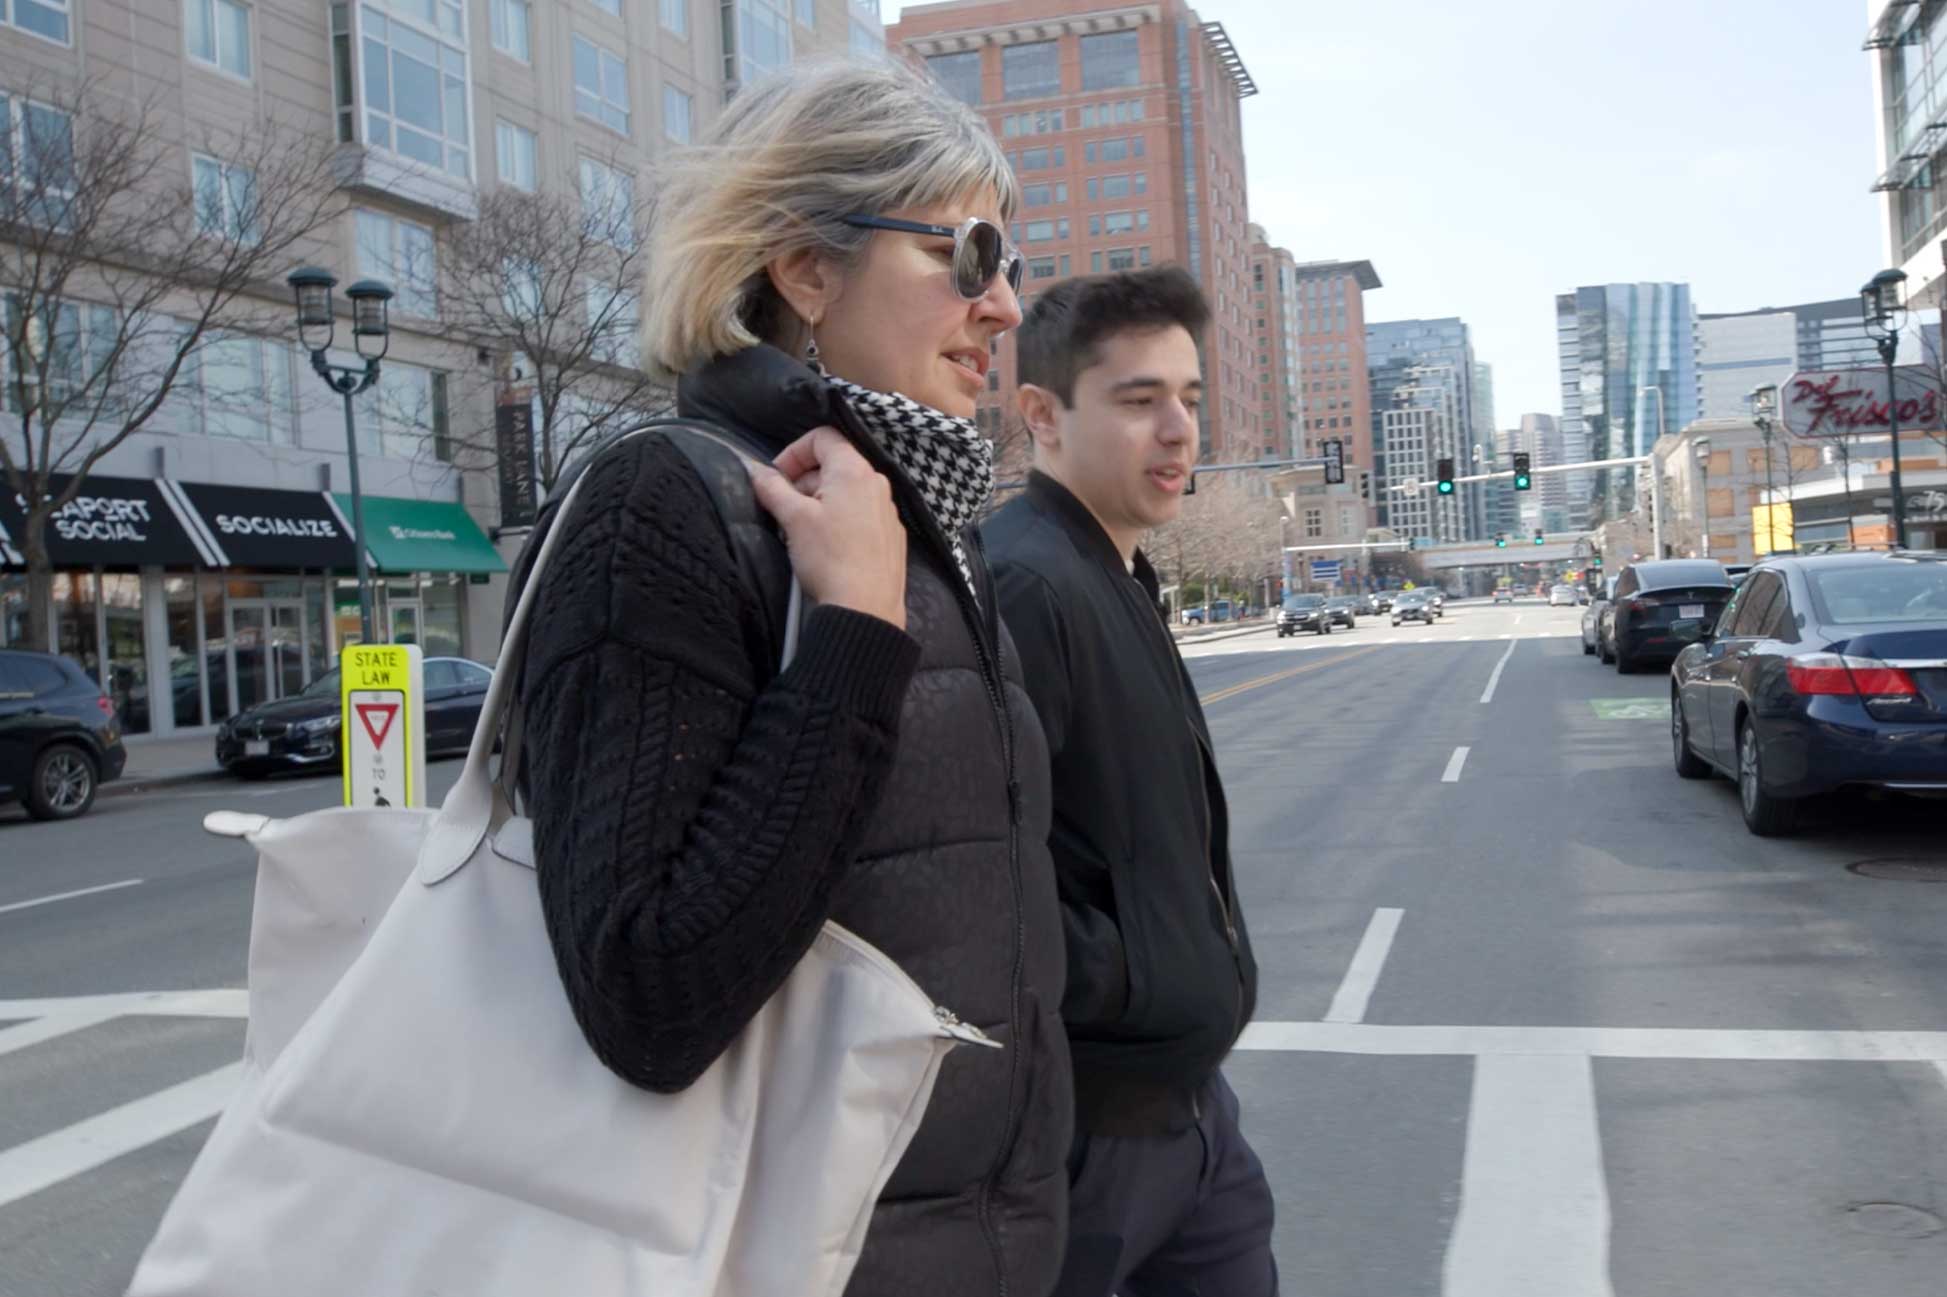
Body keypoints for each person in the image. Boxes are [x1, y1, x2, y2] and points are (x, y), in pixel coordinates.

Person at [511, 59, 1070, 1295]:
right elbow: (648, 995)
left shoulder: (928, 520)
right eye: (971, 256)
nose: (1005, 307)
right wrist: (855, 635)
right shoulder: (668, 503)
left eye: (1014, 267)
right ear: (805, 266)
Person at [980, 268, 1275, 1296]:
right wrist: (1132, 980)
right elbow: (976, 879)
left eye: (1190, 398)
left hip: (1191, 1117)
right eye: (1139, 400)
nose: (1179, 430)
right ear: (1041, 416)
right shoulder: (1026, 583)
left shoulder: (1117, 575)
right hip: (1093, 1144)